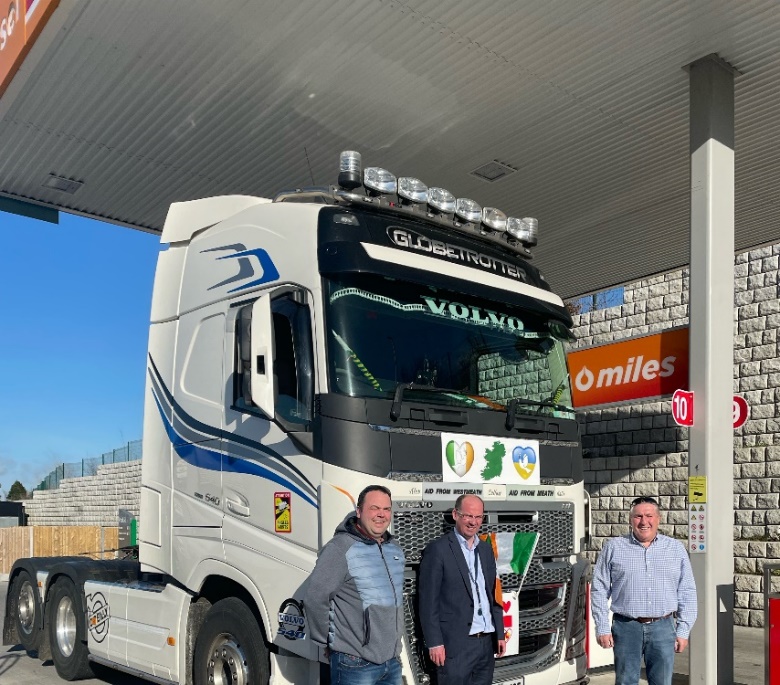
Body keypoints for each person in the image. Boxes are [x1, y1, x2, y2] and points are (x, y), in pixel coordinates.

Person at [304, 484, 405, 685]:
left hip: (392, 661)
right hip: (354, 662)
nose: (381, 514)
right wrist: (327, 640)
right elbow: (315, 597)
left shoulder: (395, 549)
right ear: (359, 512)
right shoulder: (340, 548)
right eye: (374, 508)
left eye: (386, 509)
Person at [591, 496, 697, 685]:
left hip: (663, 628)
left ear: (658, 519)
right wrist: (602, 627)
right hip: (626, 628)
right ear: (631, 520)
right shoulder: (613, 547)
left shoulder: (675, 549)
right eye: (638, 516)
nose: (643, 521)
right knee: (626, 681)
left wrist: (683, 630)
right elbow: (599, 589)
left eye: (649, 516)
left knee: (662, 682)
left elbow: (687, 591)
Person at [418, 494, 506, 685]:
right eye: (468, 516)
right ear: (455, 515)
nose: (473, 522)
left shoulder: (486, 550)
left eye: (478, 517)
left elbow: (493, 594)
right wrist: (434, 642)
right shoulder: (438, 550)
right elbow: (427, 603)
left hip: (486, 644)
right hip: (455, 646)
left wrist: (500, 633)